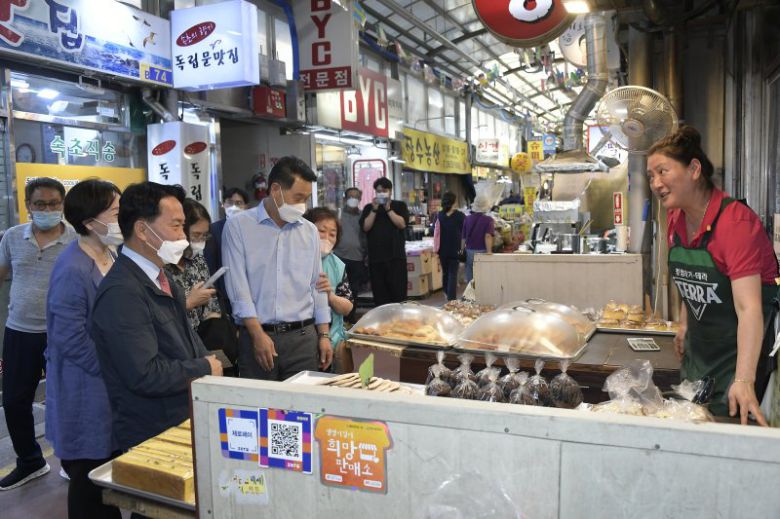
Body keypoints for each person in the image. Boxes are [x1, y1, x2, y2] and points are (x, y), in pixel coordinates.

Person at [647, 126, 780, 424]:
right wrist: (684, 323)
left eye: (663, 171)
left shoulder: (736, 223)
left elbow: (750, 308)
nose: (656, 183)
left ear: (694, 169)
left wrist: (744, 380)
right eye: (651, 176)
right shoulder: (675, 218)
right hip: (700, 353)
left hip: (745, 357)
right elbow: (689, 278)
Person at [90, 182, 222, 451]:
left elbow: (187, 341)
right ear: (142, 230)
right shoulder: (122, 292)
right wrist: (205, 368)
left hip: (180, 418)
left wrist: (209, 361)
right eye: (175, 226)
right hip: (150, 433)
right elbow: (143, 374)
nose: (183, 236)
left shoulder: (162, 278)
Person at [45, 179, 122, 518]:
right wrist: (115, 368)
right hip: (86, 387)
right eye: (117, 213)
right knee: (89, 480)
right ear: (91, 222)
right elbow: (70, 338)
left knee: (109, 473)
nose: (124, 219)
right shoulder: (72, 268)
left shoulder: (110, 253)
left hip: (110, 383)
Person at [223, 156, 333, 381]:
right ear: (275, 190)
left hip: (303, 337)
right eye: (298, 197)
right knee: (260, 410)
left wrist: (324, 334)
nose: (303, 206)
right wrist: (256, 334)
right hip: (258, 336)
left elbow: (317, 284)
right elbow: (238, 287)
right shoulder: (239, 226)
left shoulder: (309, 231)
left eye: (307, 199)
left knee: (303, 410)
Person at [0, 177, 76, 491]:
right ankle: (30, 461)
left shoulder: (77, 239)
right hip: (19, 330)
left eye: (53, 203)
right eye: (40, 204)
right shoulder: (12, 237)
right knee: (16, 400)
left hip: (63, 332)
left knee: (69, 398)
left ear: (63, 205)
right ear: (29, 206)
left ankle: (74, 459)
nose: (47, 209)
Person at [304, 207, 354, 373]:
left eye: (332, 234)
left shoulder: (337, 265)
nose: (326, 238)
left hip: (331, 340)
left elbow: (347, 307)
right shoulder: (296, 259)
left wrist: (330, 296)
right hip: (303, 340)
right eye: (321, 231)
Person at [165, 199, 219, 333]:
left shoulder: (198, 261)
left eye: (204, 235)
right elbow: (159, 316)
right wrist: (189, 302)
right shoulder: (162, 265)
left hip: (200, 340)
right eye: (196, 235)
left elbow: (212, 309)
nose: (200, 241)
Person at [360, 177, 409, 306]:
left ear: (390, 191)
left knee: (398, 295)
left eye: (384, 190)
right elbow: (366, 227)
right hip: (376, 259)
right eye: (379, 191)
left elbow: (402, 224)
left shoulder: (399, 206)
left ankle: (399, 322)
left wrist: (388, 209)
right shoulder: (368, 208)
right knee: (380, 296)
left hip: (396, 258)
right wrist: (375, 209)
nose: (381, 193)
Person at [204, 187, 249, 313]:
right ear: (223, 204)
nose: (234, 206)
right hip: (224, 292)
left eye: (239, 203)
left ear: (246, 206)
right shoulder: (213, 229)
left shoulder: (254, 229)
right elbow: (211, 263)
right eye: (230, 202)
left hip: (250, 291)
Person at [334, 187, 367, 321]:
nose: (353, 199)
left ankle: (350, 319)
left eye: (356, 197)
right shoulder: (338, 214)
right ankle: (337, 320)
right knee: (338, 290)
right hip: (339, 257)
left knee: (353, 290)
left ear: (359, 200)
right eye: (350, 197)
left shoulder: (363, 216)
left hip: (358, 258)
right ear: (344, 199)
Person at [434, 192, 465, 301]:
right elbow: (464, 235)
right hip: (455, 249)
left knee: (446, 272)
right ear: (453, 202)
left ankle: (447, 294)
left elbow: (435, 232)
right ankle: (452, 300)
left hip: (442, 250)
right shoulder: (460, 216)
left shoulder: (440, 215)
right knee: (453, 274)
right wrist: (462, 250)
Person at [462, 196, 495, 284]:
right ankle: (482, 293)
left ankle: (470, 294)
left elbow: (464, 237)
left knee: (470, 273)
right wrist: (489, 251)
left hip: (469, 250)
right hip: (482, 250)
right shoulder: (489, 220)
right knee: (482, 274)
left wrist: (462, 249)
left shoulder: (467, 219)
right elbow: (488, 236)